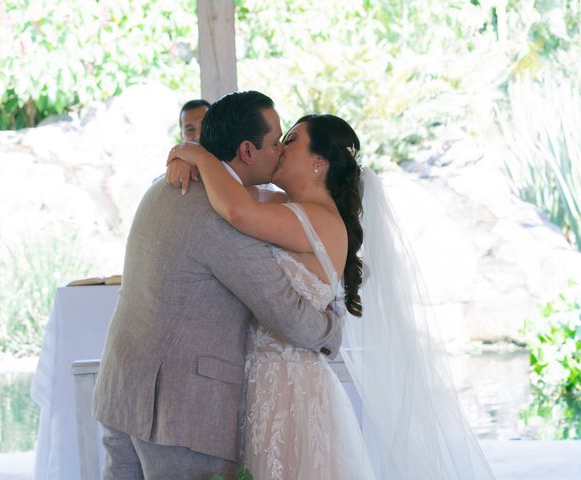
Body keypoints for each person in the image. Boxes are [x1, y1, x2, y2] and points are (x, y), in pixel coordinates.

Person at [167, 114, 498, 479]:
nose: (279, 148)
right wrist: (186, 160)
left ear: (318, 162)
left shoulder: (318, 218)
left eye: (290, 141)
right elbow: (230, 189)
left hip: (289, 391)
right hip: (260, 382)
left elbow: (236, 210)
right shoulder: (283, 207)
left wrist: (195, 154)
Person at [91, 91, 343, 480]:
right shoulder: (222, 216)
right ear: (246, 150)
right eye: (276, 141)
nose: (279, 151)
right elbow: (285, 315)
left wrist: (187, 154)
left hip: (122, 391)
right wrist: (333, 330)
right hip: (179, 414)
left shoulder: (164, 184)